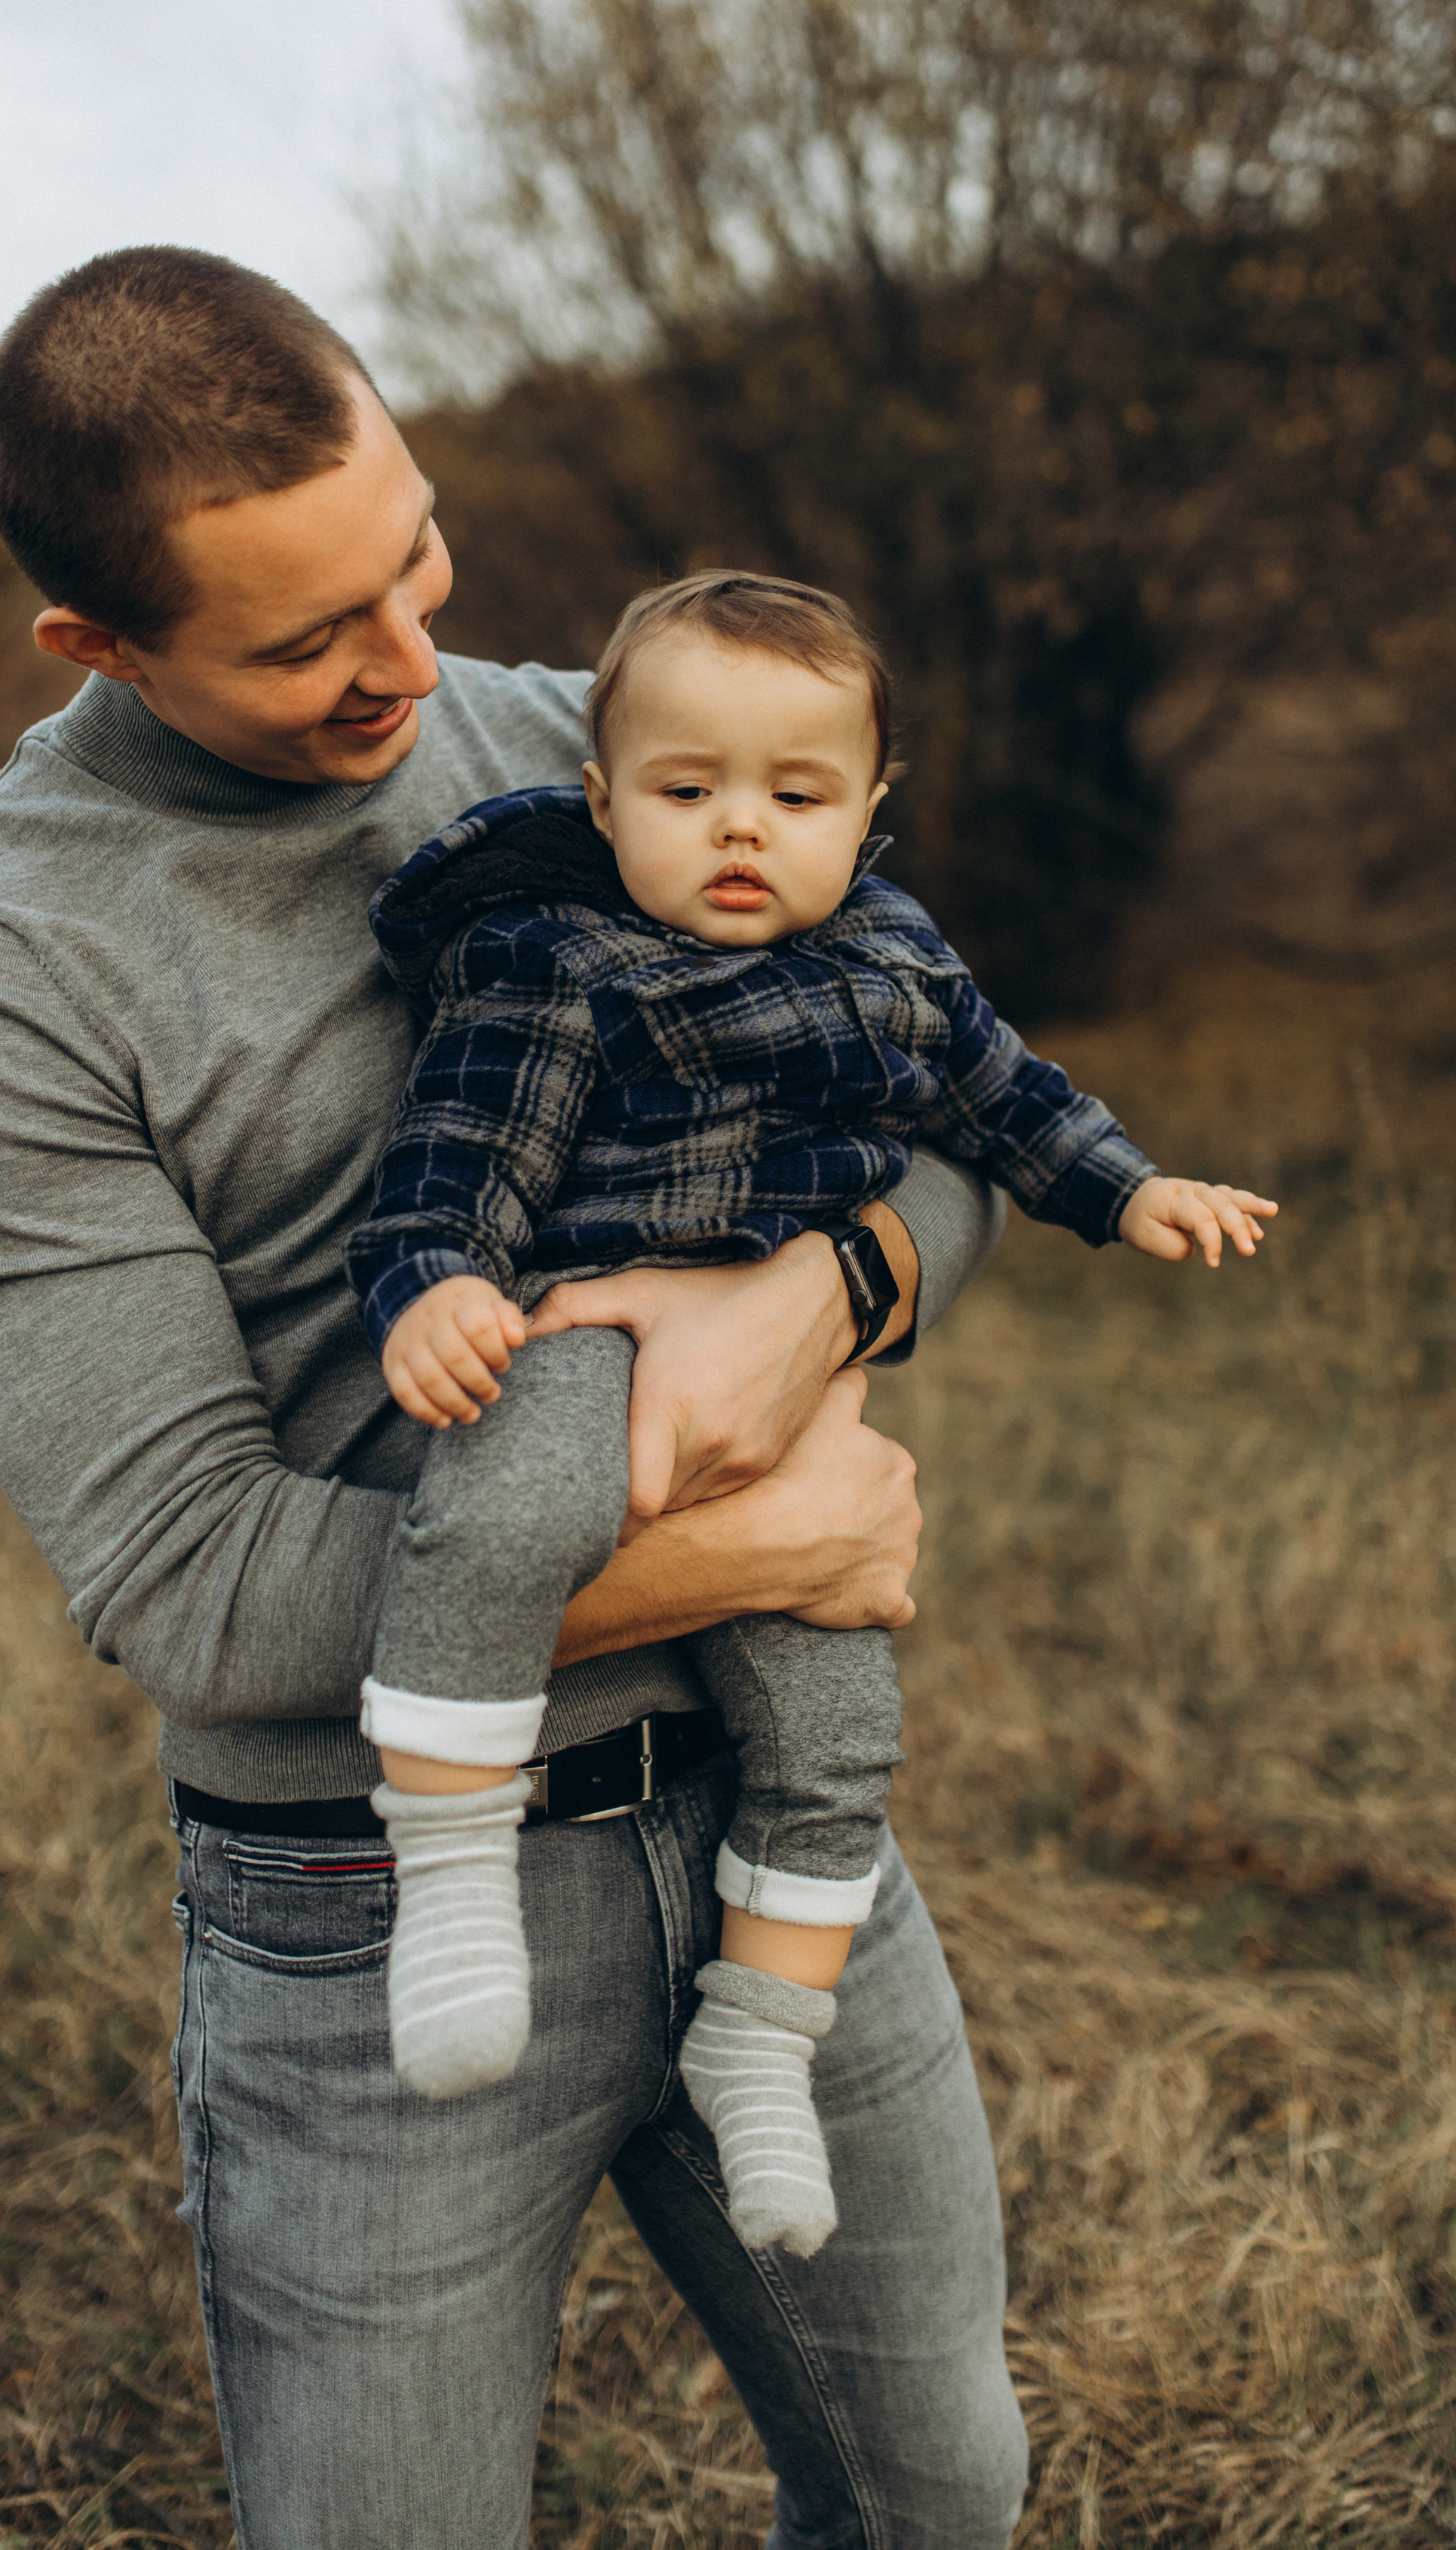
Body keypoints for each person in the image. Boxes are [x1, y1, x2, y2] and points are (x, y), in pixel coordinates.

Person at [0, 246, 1031, 2550]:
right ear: (96, 648)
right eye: (306, 640)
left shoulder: (567, 738)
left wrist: (834, 1288)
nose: (410, 664)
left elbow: (941, 1109)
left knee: (941, 2499)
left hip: (768, 1820)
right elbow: (192, 1591)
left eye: (414, 553)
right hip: (362, 1911)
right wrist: (755, 1542)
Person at [344, 571, 1277, 2269]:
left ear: (869, 810)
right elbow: (457, 1158)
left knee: (837, 1708)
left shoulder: (899, 960)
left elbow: (1003, 1101)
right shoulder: (551, 961)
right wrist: (432, 1287)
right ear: (602, 800)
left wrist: (1129, 1191)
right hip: (580, 1325)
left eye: (794, 796)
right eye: (686, 792)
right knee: (500, 1512)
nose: (738, 834)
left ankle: (758, 2039)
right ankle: (455, 1882)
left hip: (789, 1393)